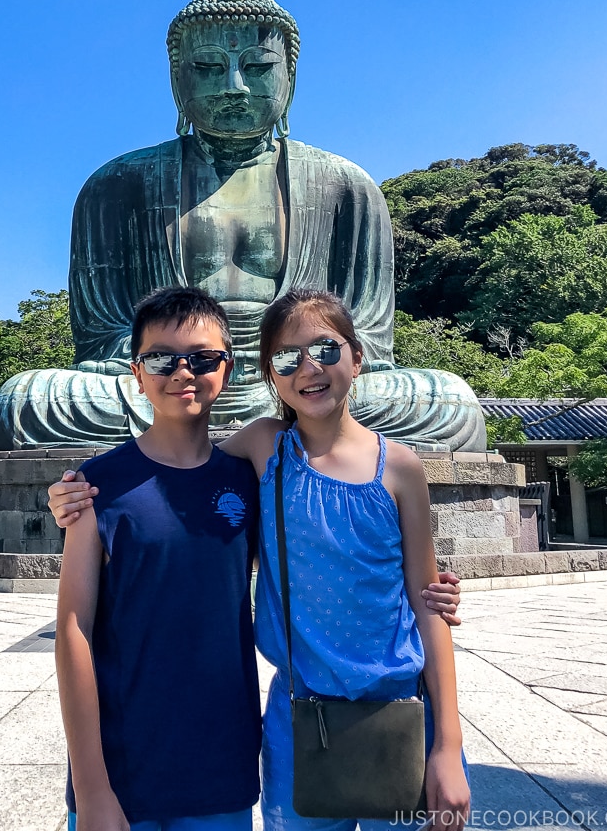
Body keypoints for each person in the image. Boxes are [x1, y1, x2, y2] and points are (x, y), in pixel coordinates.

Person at [0, 0, 485, 452]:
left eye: (257, 66)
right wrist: (200, 364)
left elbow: (368, 343)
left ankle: (272, 413)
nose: (234, 87)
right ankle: (255, 421)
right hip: (171, 382)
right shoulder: (116, 186)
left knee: (450, 403)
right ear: (177, 79)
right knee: (26, 402)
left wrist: (283, 373)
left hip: (299, 379)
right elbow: (104, 339)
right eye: (206, 67)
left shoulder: (346, 187)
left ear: (289, 76)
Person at [52, 286, 468, 831]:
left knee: (445, 393)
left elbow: (418, 593)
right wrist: (72, 493)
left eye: (204, 358)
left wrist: (433, 598)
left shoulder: (369, 467)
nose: (183, 371)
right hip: (272, 714)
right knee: (40, 395)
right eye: (287, 359)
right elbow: (177, 478)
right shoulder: (250, 450)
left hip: (366, 714)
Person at [55, 287, 261, 831]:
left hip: (223, 754)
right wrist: (93, 788)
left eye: (202, 357)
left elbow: (315, 563)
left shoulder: (250, 477)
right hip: (123, 762)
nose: (183, 372)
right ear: (136, 372)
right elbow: (73, 628)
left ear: (229, 367)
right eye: (161, 359)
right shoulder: (95, 485)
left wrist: (418, 585)